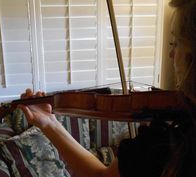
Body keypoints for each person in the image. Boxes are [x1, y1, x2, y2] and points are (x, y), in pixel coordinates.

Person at [18, 0, 196, 176]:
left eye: (175, 43)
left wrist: (49, 124)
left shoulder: (164, 148)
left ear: (191, 56)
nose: (171, 54)